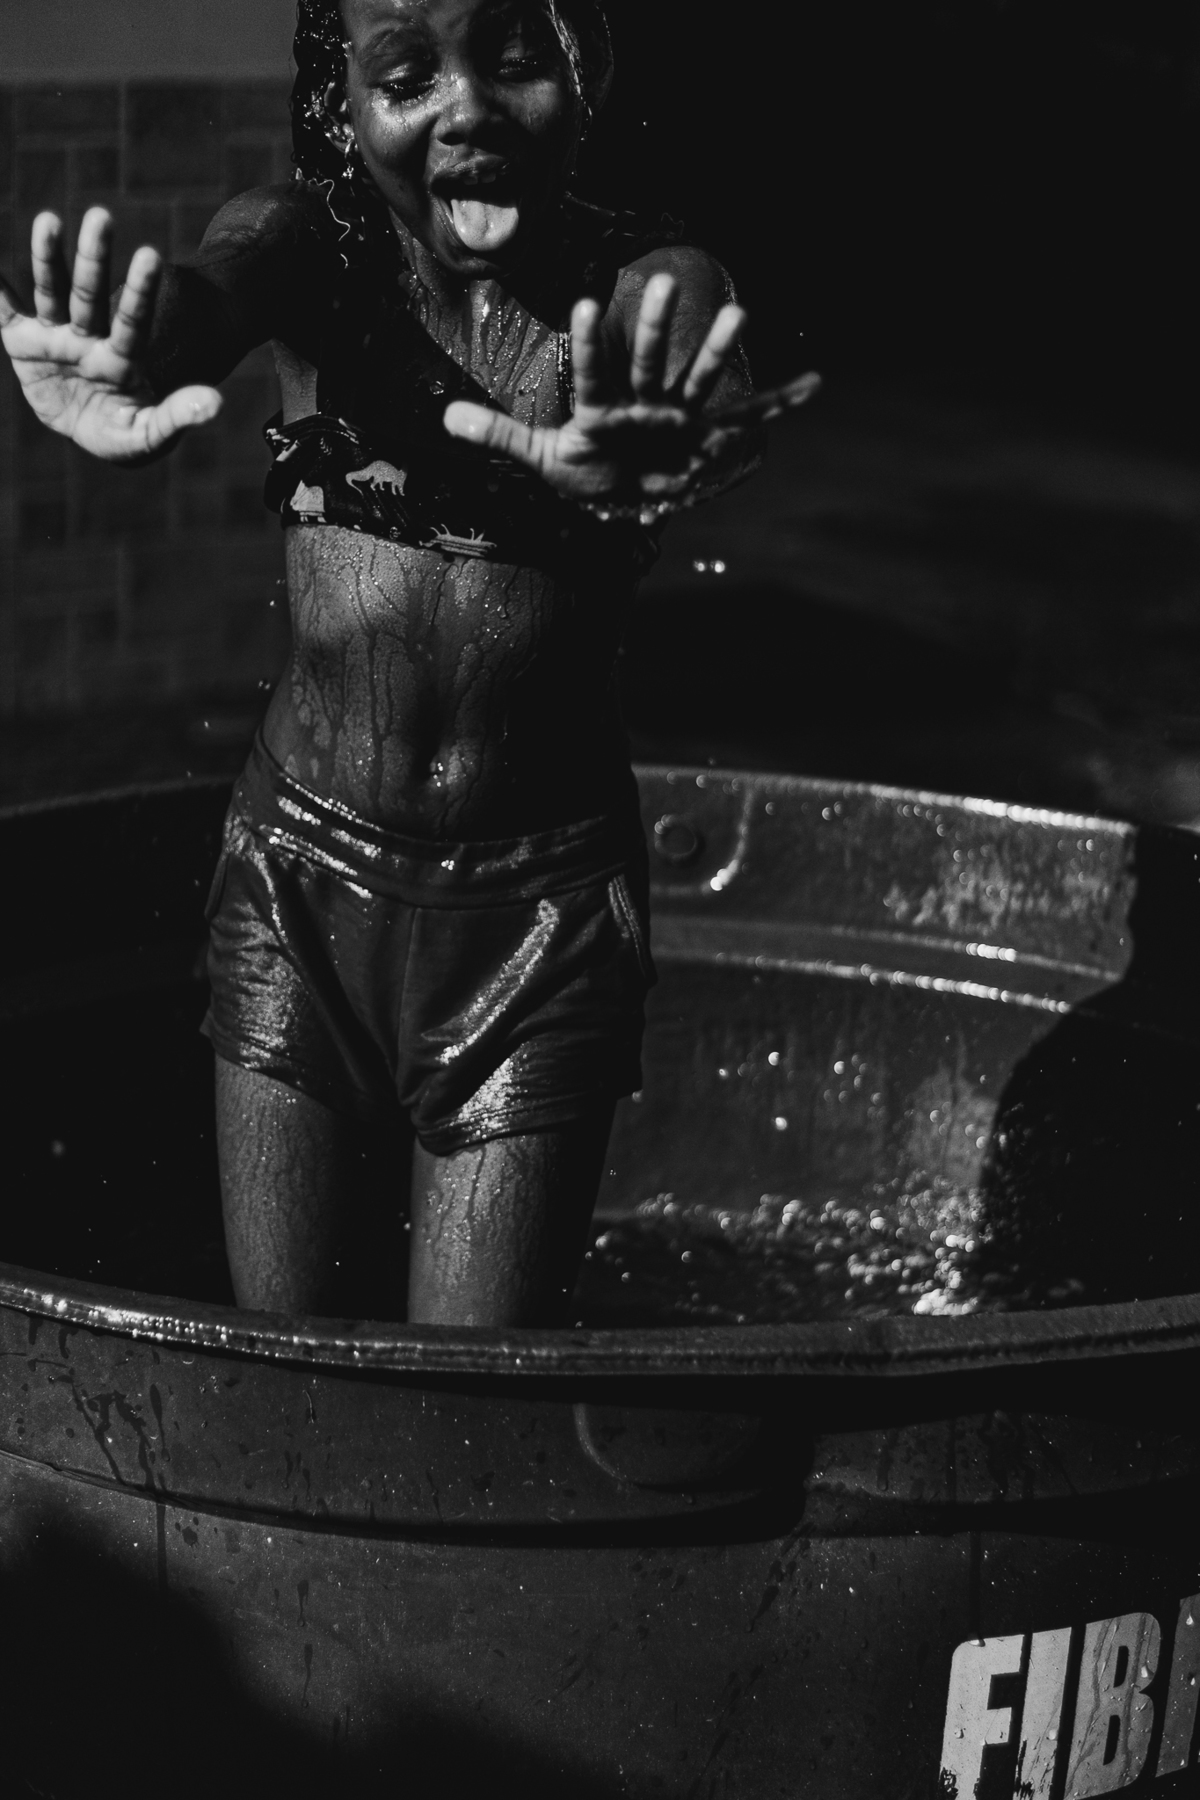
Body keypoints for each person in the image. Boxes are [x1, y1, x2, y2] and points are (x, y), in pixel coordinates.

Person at [0, 0, 816, 1327]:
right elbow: (211, 295)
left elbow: (687, 339)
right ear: (345, 106)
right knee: (291, 1362)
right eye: (406, 75)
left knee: (471, 1395)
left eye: (514, 58)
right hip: (301, 886)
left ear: (586, 68)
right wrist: (140, 346)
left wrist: (684, 413)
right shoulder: (308, 247)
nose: (468, 108)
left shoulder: (639, 278)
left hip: (535, 918)